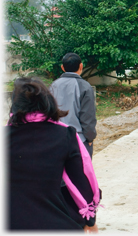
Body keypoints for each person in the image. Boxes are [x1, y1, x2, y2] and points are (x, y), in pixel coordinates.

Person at [7, 77, 101, 231]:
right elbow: (82, 180)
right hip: (53, 222)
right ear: (47, 100)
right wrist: (90, 220)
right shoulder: (65, 134)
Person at [49, 53, 97, 158]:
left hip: (56, 139)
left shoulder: (53, 86)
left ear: (62, 67)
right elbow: (88, 116)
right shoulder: (85, 87)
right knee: (81, 172)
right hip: (79, 140)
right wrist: (90, 138)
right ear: (81, 66)